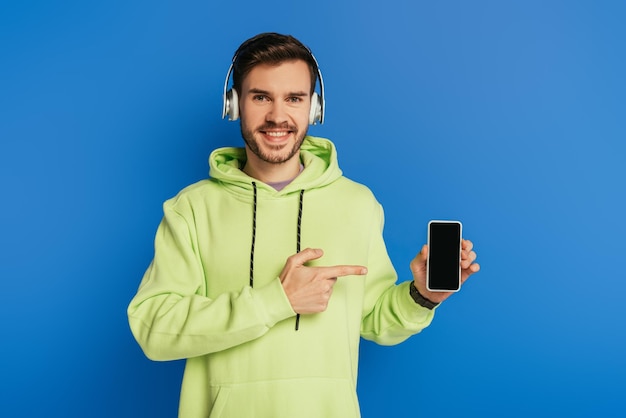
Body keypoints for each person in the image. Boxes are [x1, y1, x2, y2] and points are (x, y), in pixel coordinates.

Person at [127, 32, 479, 418]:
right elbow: (153, 329)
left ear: (314, 108)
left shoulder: (357, 204)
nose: (277, 116)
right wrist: (275, 301)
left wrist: (421, 295)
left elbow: (374, 321)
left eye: (294, 98)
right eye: (260, 97)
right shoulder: (190, 208)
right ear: (233, 105)